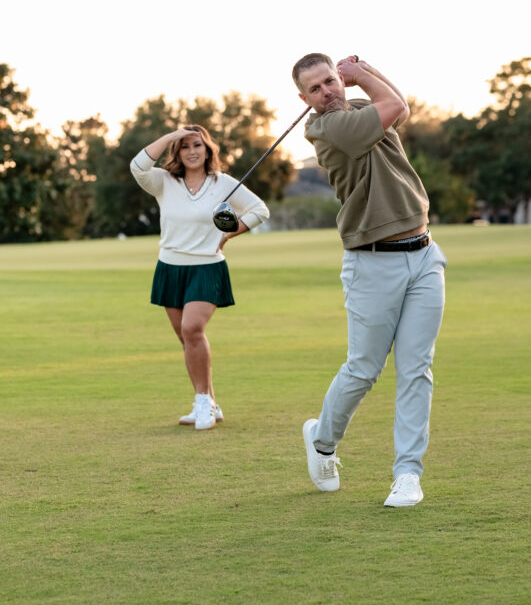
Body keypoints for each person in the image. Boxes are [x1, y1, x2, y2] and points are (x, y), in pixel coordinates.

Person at [291, 53, 447, 507]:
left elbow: (400, 106)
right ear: (304, 99)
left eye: (331, 81)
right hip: (371, 262)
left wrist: (366, 72)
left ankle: (407, 474)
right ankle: (322, 440)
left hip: (423, 255)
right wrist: (362, 75)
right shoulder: (326, 129)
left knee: (417, 369)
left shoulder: (359, 111)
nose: (327, 92)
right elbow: (395, 106)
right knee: (364, 369)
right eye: (316, 89)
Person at [130, 124, 269, 430]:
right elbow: (138, 165)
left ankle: (202, 403)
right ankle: (210, 402)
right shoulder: (163, 181)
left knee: (192, 329)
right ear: (177, 152)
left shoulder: (223, 183)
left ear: (208, 150)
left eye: (197, 145)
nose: (192, 151)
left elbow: (259, 210)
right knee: (186, 338)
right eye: (185, 146)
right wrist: (170, 135)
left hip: (207, 266)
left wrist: (232, 232)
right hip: (170, 267)